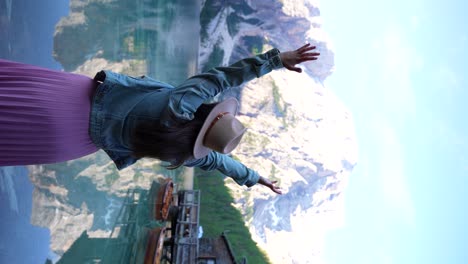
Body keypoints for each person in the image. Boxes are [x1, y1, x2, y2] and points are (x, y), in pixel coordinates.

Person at [0, 43, 319, 194]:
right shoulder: (179, 150)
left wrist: (276, 60)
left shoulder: (180, 105)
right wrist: (254, 178)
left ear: (212, 113)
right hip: (70, 143)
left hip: (70, 102)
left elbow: (220, 78)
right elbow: (217, 164)